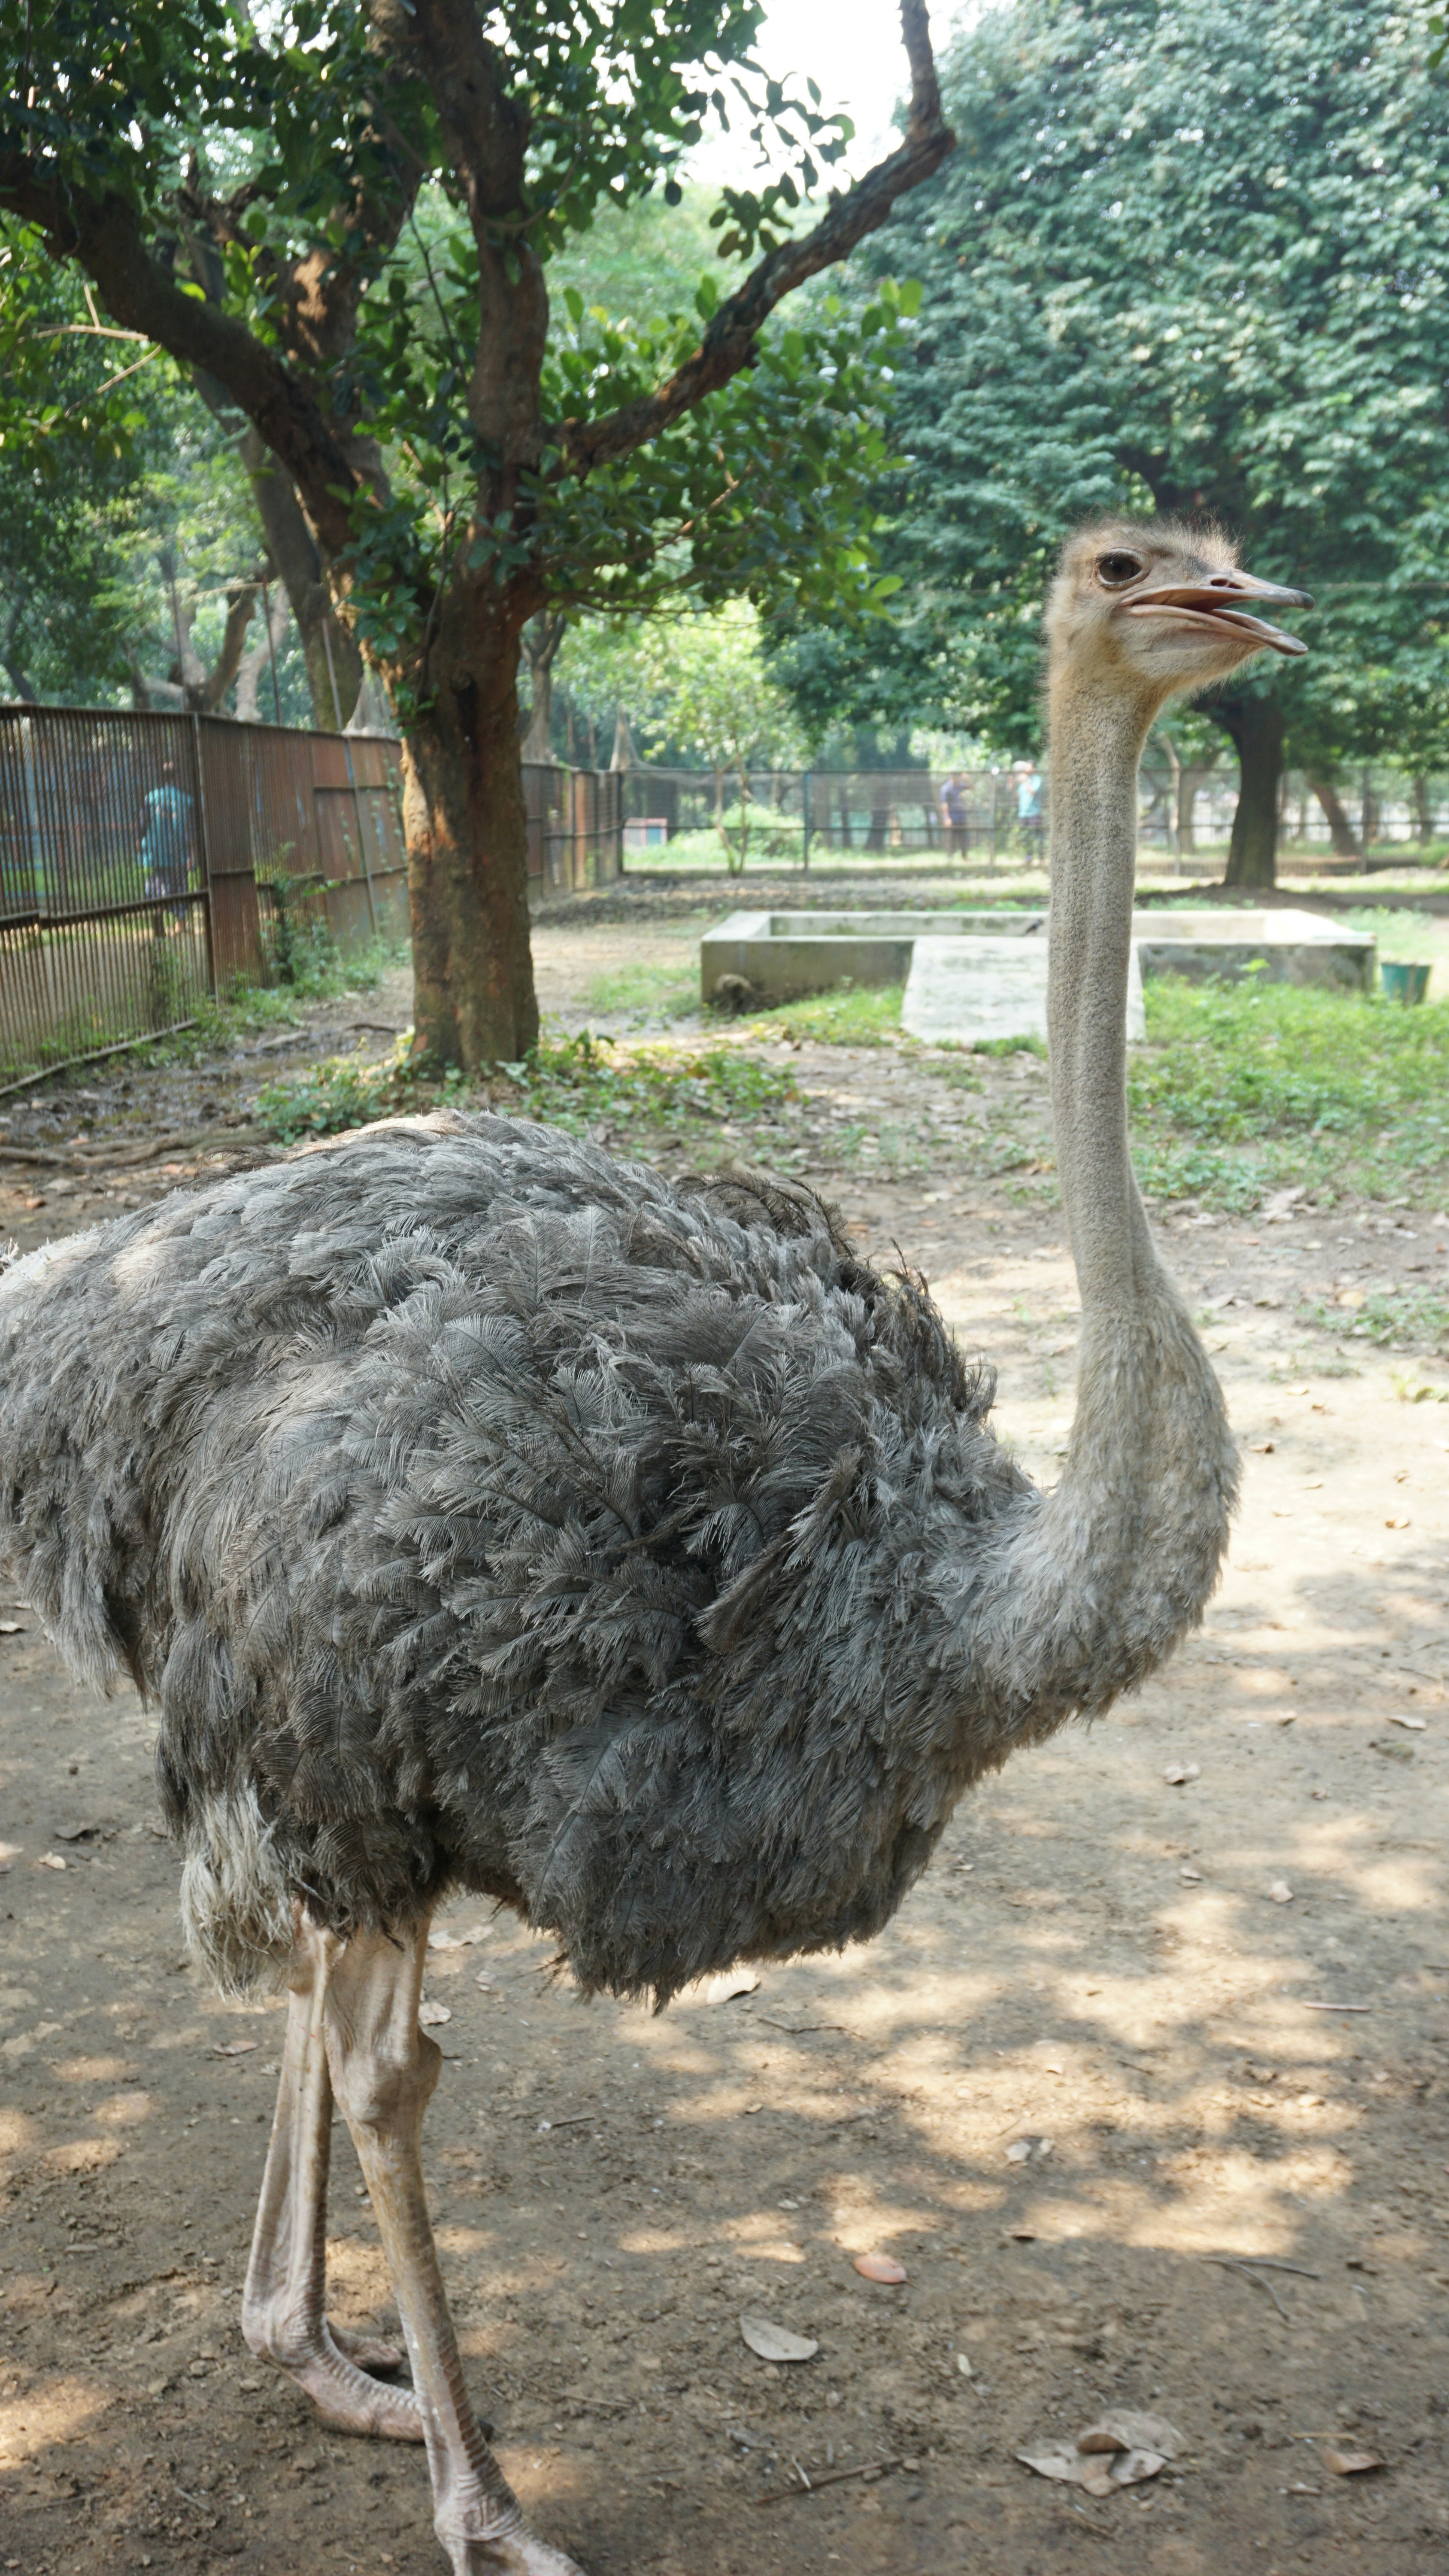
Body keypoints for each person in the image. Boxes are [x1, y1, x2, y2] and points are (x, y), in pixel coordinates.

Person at [139, 757, 196, 901]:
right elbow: (191, 831)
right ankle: (179, 915)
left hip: (155, 855)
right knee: (179, 895)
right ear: (177, 777)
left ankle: (158, 912)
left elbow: (142, 826)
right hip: (178, 855)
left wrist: (140, 846)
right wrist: (192, 855)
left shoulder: (151, 799)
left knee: (157, 893)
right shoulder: (186, 800)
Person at [939, 771, 970, 856]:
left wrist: (968, 779)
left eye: (959, 777)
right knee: (951, 838)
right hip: (952, 815)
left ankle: (964, 856)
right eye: (957, 777)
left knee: (963, 837)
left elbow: (971, 787)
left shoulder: (961, 785)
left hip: (961, 815)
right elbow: (944, 804)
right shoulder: (946, 788)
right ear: (953, 777)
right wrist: (947, 818)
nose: (958, 779)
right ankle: (950, 857)